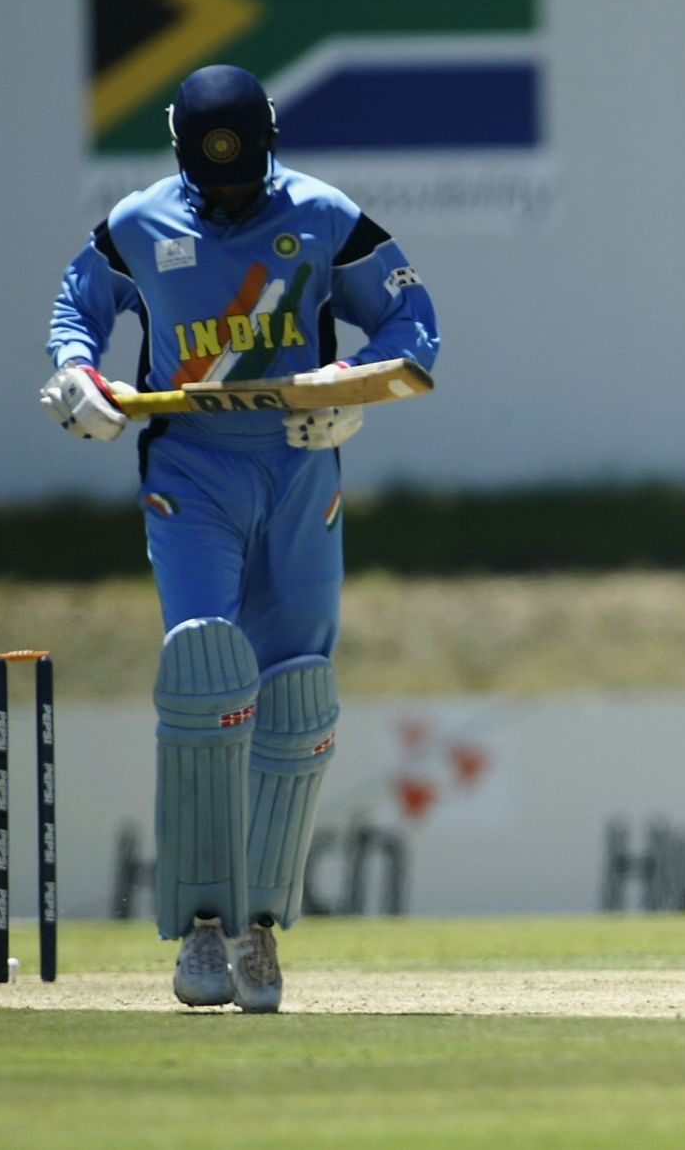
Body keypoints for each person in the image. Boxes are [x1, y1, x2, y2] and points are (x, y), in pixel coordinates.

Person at [39, 64, 440, 1012]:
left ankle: (260, 932)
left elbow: (411, 323)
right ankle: (202, 932)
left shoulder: (324, 214)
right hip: (193, 468)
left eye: (245, 178)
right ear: (180, 147)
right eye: (211, 184)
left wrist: (348, 390)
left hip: (301, 463)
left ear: (268, 142)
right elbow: (76, 308)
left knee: (298, 686)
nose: (230, 198)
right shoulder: (139, 224)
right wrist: (76, 375)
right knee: (204, 669)